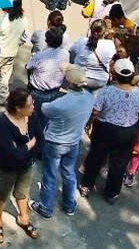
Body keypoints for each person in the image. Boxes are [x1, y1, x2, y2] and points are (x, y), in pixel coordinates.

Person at [29, 65, 95, 220]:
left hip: (55, 143)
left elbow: (45, 108)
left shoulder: (61, 104)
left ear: (68, 81)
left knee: (50, 175)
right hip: (74, 141)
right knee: (69, 173)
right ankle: (69, 205)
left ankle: (45, 207)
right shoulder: (89, 98)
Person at [79, 58, 139, 203]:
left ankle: (86, 185)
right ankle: (112, 193)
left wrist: (89, 123)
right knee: (120, 163)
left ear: (115, 74)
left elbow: (96, 112)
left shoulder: (106, 91)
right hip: (128, 131)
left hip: (105, 129)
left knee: (96, 157)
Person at [0, 87, 40, 244]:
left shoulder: (31, 116)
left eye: (32, 103)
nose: (33, 107)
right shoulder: (3, 123)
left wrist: (26, 150)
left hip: (26, 164)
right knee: (3, 192)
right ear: (18, 108)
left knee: (23, 191)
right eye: (30, 105)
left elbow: (41, 138)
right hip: (6, 165)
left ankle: (23, 218)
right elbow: (13, 154)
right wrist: (30, 144)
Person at [26, 26, 69, 147]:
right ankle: (40, 145)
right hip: (55, 92)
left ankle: (33, 146)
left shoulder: (41, 55)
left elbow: (28, 67)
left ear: (47, 41)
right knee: (46, 121)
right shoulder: (65, 54)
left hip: (38, 92)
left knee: (34, 121)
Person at [0, 0, 29, 104]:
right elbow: (24, 37)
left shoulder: (2, 20)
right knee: (5, 75)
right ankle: (2, 97)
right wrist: (16, 44)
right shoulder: (24, 20)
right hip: (12, 52)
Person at [69, 20, 118, 92]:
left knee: (72, 54)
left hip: (81, 78)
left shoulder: (81, 41)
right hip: (100, 81)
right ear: (104, 32)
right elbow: (113, 57)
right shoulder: (110, 44)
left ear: (90, 29)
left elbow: (70, 49)